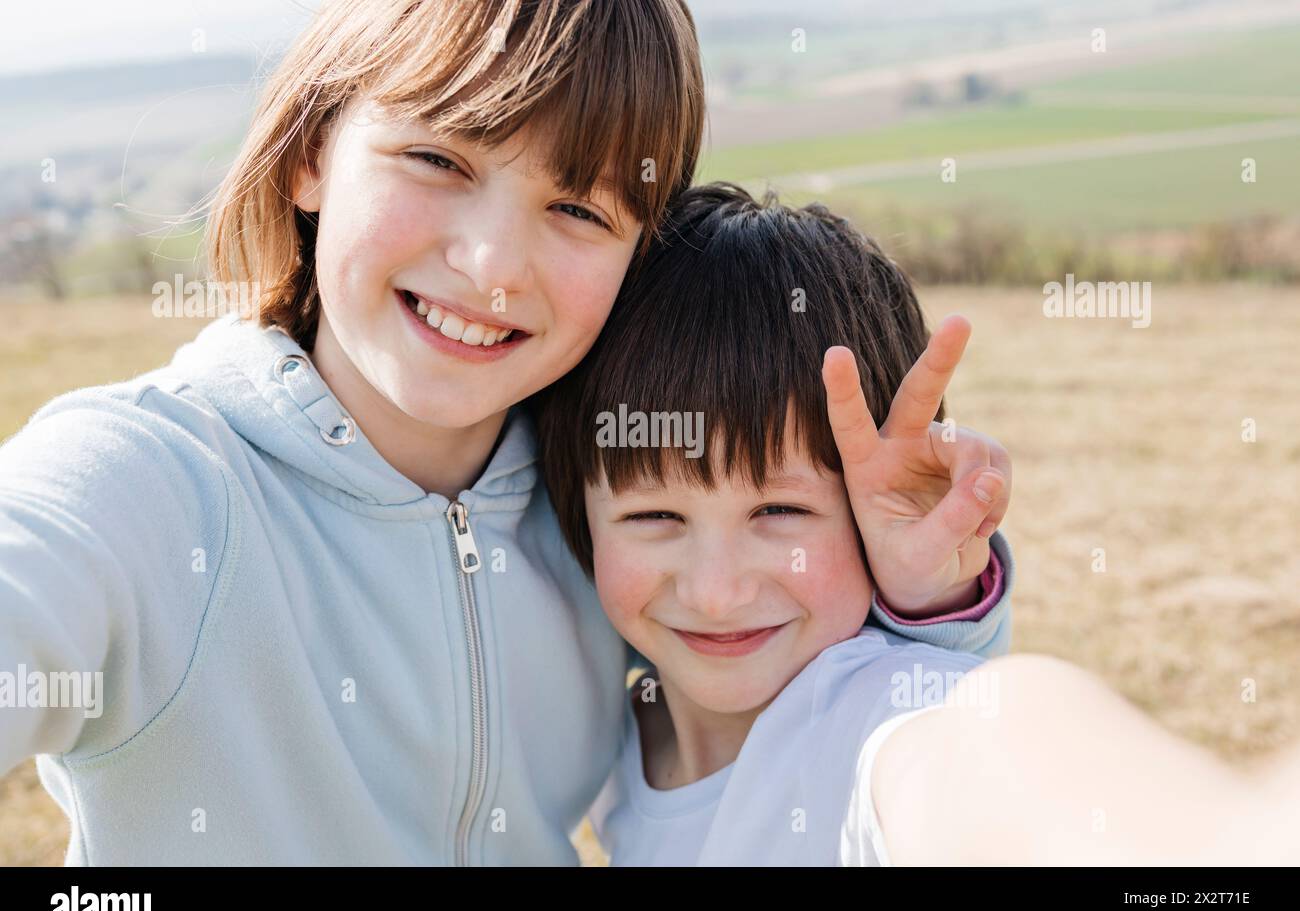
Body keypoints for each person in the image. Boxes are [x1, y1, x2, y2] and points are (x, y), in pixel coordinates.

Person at [0, 4, 1012, 865]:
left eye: (577, 207)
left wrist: (931, 604)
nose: (492, 265)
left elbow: (836, 720)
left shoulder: (605, 487)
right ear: (312, 152)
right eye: (437, 157)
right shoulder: (146, 484)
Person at [539, 182, 1295, 866]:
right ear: (579, 512)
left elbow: (995, 745)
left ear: (874, 518)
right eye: (655, 515)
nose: (715, 592)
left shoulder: (869, 719)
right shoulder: (613, 744)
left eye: (781, 510)